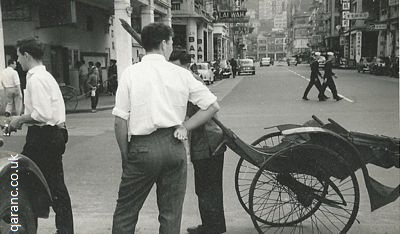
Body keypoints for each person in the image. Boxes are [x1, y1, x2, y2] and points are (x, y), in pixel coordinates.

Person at [111, 23, 220, 234]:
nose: (171, 46)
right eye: (170, 42)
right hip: (174, 146)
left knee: (126, 211)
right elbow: (212, 106)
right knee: (170, 214)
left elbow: (120, 121)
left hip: (142, 148)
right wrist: (185, 126)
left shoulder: (131, 73)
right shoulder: (180, 74)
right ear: (163, 44)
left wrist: (126, 154)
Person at [8, 37, 74, 234]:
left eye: (19, 56)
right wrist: (22, 119)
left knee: (20, 176)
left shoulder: (37, 79)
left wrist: (19, 120)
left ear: (27, 55)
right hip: (50, 135)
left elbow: (42, 114)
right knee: (51, 185)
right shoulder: (43, 77)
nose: (18, 60)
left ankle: (27, 224)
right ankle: (58, 228)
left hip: (44, 137)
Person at [169, 50, 227, 234]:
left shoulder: (191, 81)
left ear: (186, 65)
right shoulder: (187, 80)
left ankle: (213, 227)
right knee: (205, 187)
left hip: (209, 142)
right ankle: (212, 225)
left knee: (208, 187)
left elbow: (207, 109)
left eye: (176, 67)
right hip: (205, 141)